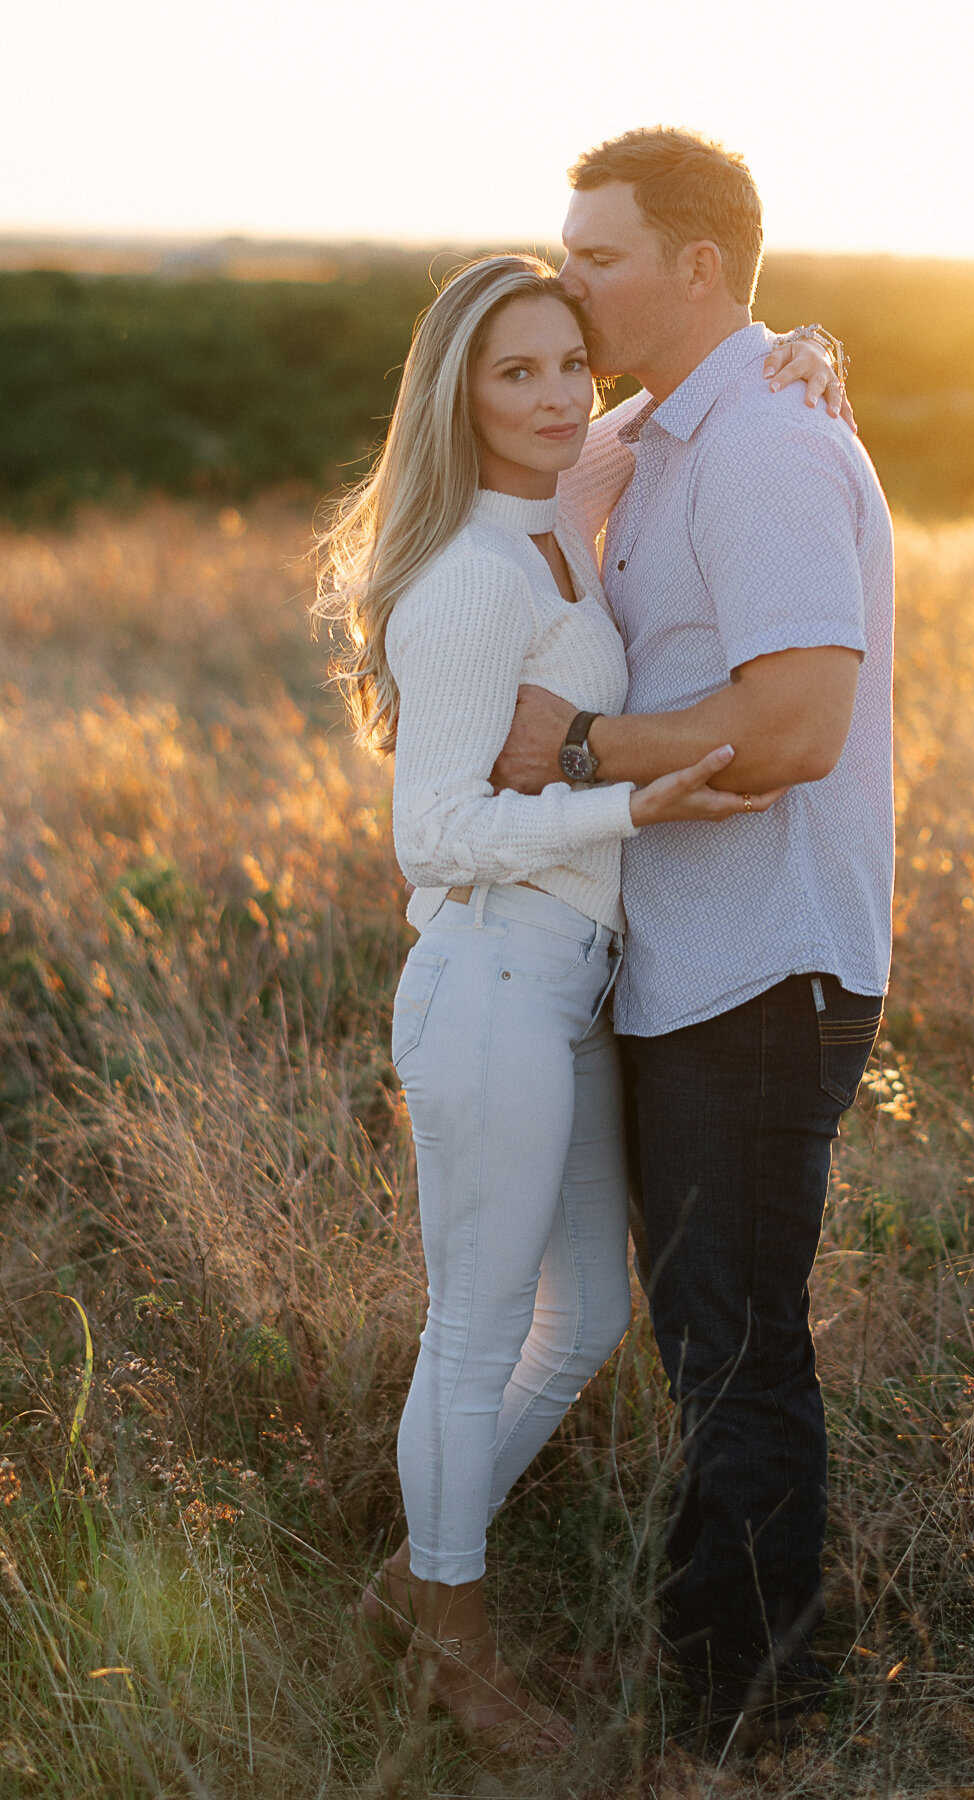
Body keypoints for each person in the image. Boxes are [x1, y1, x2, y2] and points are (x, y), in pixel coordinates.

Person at [313, 252, 847, 1756]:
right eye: (515, 374)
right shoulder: (475, 579)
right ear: (455, 397)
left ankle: (417, 1581)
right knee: (482, 1331)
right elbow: (433, 841)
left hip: (572, 983)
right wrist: (632, 810)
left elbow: (684, 410)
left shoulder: (562, 494)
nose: (559, 397)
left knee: (585, 1319)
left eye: (571, 363)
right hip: (491, 972)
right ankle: (459, 1655)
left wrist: (791, 349)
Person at [490, 128, 896, 1750]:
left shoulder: (768, 449)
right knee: (707, 1345)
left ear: (698, 265)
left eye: (595, 254)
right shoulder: (670, 432)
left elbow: (796, 723)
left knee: (737, 1359)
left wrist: (576, 757)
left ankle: (739, 1729)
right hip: (687, 967)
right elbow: (486, 486)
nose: (565, 276)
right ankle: (722, 1677)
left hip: (763, 969)